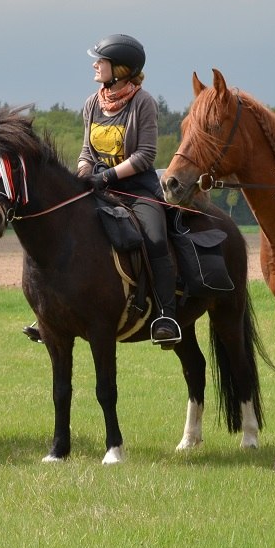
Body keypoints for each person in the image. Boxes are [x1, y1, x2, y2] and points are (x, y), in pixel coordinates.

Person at [77, 33, 181, 346]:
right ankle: (57, 311)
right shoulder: (92, 103)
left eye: (101, 61)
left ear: (120, 69)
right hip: (97, 185)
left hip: (137, 188)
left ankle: (167, 314)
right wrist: (84, 175)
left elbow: (145, 156)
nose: (95, 65)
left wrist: (106, 176)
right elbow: (86, 151)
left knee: (155, 238)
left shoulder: (143, 103)